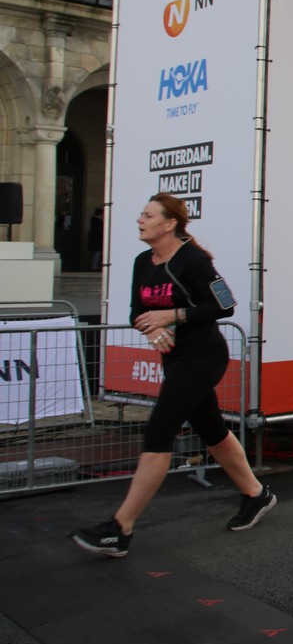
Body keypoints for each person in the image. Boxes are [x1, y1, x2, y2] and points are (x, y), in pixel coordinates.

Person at [71, 194, 277, 557]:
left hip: (203, 358)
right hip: (175, 359)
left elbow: (225, 304)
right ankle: (257, 494)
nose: (139, 220)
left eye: (148, 215)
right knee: (212, 430)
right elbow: (137, 311)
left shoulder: (193, 260)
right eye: (141, 214)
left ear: (169, 224)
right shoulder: (143, 262)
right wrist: (151, 329)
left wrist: (172, 316)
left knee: (159, 430)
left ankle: (120, 528)